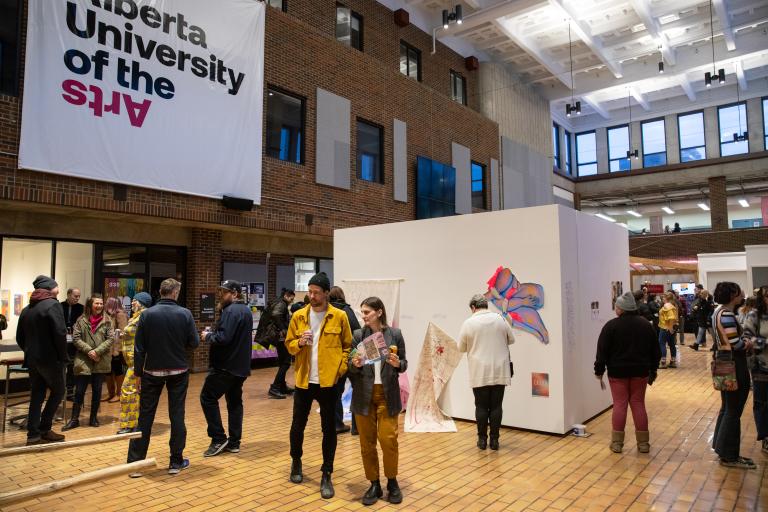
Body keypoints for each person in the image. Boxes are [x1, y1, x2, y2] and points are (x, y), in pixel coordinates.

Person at [285, 272, 353, 499]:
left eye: (316, 292)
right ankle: (296, 461)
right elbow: (289, 345)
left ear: (326, 293)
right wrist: (299, 342)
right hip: (304, 381)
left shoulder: (339, 316)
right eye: (309, 291)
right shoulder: (298, 316)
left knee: (329, 429)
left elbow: (347, 347)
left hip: (328, 382)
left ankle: (327, 473)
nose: (311, 296)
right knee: (297, 426)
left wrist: (340, 369)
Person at [127, 279, 199, 477]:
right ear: (175, 293)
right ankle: (175, 462)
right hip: (178, 371)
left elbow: (139, 347)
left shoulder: (147, 314)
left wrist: (138, 374)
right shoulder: (185, 314)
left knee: (145, 416)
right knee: (177, 415)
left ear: (160, 292)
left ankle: (135, 464)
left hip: (151, 371)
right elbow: (194, 342)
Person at [348, 297, 406, 506]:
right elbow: (350, 365)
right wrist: (354, 363)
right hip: (364, 395)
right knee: (367, 444)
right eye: (362, 312)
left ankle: (392, 481)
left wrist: (399, 363)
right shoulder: (358, 335)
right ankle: (374, 483)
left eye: (367, 312)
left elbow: (404, 363)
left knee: (388, 440)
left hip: (387, 395)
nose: (363, 316)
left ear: (379, 312)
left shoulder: (395, 335)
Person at [594, 292, 660, 453]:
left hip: (617, 372)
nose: (615, 308)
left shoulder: (611, 326)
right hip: (640, 371)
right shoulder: (646, 325)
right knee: (638, 404)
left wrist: (599, 370)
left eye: (617, 306)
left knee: (619, 404)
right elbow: (656, 351)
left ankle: (617, 443)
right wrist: (653, 369)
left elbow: (602, 351)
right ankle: (643, 444)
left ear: (621, 309)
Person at [200, 280, 254, 457]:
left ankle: (218, 438)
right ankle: (234, 442)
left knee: (207, 397)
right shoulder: (245, 310)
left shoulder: (231, 311)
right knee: (234, 402)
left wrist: (208, 336)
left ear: (235, 294)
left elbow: (223, 338)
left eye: (224, 292)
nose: (220, 295)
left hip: (225, 366)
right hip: (240, 366)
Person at [458, 294, 515, 451]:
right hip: (499, 370)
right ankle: (495, 441)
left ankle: (482, 440)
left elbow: (461, 348)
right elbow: (512, 339)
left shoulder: (468, 323)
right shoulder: (500, 319)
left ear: (473, 307)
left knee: (481, 406)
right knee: (497, 406)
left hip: (479, 370)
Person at [16, 275, 68, 445]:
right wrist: (63, 357)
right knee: (59, 391)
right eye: (56, 286)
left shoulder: (26, 309)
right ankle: (44, 428)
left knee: (37, 395)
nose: (58, 288)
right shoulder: (53, 305)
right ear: (49, 288)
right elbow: (60, 334)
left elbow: (19, 337)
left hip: (32, 360)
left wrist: (30, 351)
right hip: (50, 360)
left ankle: (33, 435)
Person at [711, 281, 755, 469]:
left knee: (727, 407)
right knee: (733, 410)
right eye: (738, 292)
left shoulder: (717, 312)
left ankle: (722, 448)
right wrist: (749, 342)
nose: (741, 295)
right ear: (732, 296)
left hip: (722, 360)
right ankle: (730, 455)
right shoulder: (727, 314)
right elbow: (736, 343)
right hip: (734, 363)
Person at [63, 294, 114, 430]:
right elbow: (76, 338)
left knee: (97, 391)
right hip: (84, 360)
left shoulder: (108, 320)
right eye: (96, 303)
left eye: (101, 303)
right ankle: (74, 419)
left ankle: (93, 418)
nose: (99, 306)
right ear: (90, 305)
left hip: (100, 360)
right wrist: (90, 351)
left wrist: (97, 352)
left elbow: (110, 339)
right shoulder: (81, 320)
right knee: (79, 391)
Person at [117, 292, 152, 434]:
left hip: (138, 363)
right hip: (133, 362)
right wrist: (124, 335)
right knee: (134, 393)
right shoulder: (137, 316)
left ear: (142, 303)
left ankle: (130, 425)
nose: (132, 303)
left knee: (128, 391)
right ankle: (134, 423)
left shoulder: (144, 316)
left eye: (135, 301)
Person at [329, 286, 361, 434]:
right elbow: (358, 333)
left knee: (336, 392)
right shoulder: (347, 311)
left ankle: (337, 424)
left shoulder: (328, 312)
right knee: (357, 389)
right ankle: (356, 426)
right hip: (351, 356)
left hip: (335, 358)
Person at [742, 285, 768, 455]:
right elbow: (746, 339)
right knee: (762, 403)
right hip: (761, 367)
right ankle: (766, 437)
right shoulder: (754, 315)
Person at [263, 288, 295, 399]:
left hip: (279, 338)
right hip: (281, 338)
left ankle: (281, 386)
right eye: (291, 297)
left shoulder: (279, 302)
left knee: (283, 363)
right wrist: (283, 329)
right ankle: (275, 387)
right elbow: (276, 315)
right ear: (287, 295)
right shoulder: (281, 304)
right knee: (286, 362)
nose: (292, 300)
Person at [104, 296, 128, 402]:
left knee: (118, 371)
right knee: (108, 371)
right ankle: (111, 393)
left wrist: (116, 350)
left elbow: (122, 333)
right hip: (108, 348)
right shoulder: (109, 315)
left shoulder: (120, 315)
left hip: (116, 349)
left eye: (107, 303)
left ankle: (119, 394)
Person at [658, 292, 678, 369]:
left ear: (666, 298)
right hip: (669, 328)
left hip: (665, 328)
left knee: (662, 344)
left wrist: (670, 328)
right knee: (672, 344)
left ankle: (663, 362)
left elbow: (671, 317)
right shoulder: (673, 305)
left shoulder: (667, 306)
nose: (662, 299)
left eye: (663, 298)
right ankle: (673, 361)